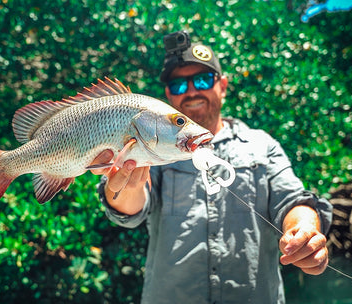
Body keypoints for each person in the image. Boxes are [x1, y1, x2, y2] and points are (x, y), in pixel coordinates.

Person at [90, 31, 333, 304]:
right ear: (169, 94)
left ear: (223, 85)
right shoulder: (150, 148)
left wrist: (304, 230)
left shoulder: (262, 145)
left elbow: (293, 201)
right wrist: (124, 186)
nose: (192, 91)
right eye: (179, 85)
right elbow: (131, 208)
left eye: (203, 80)